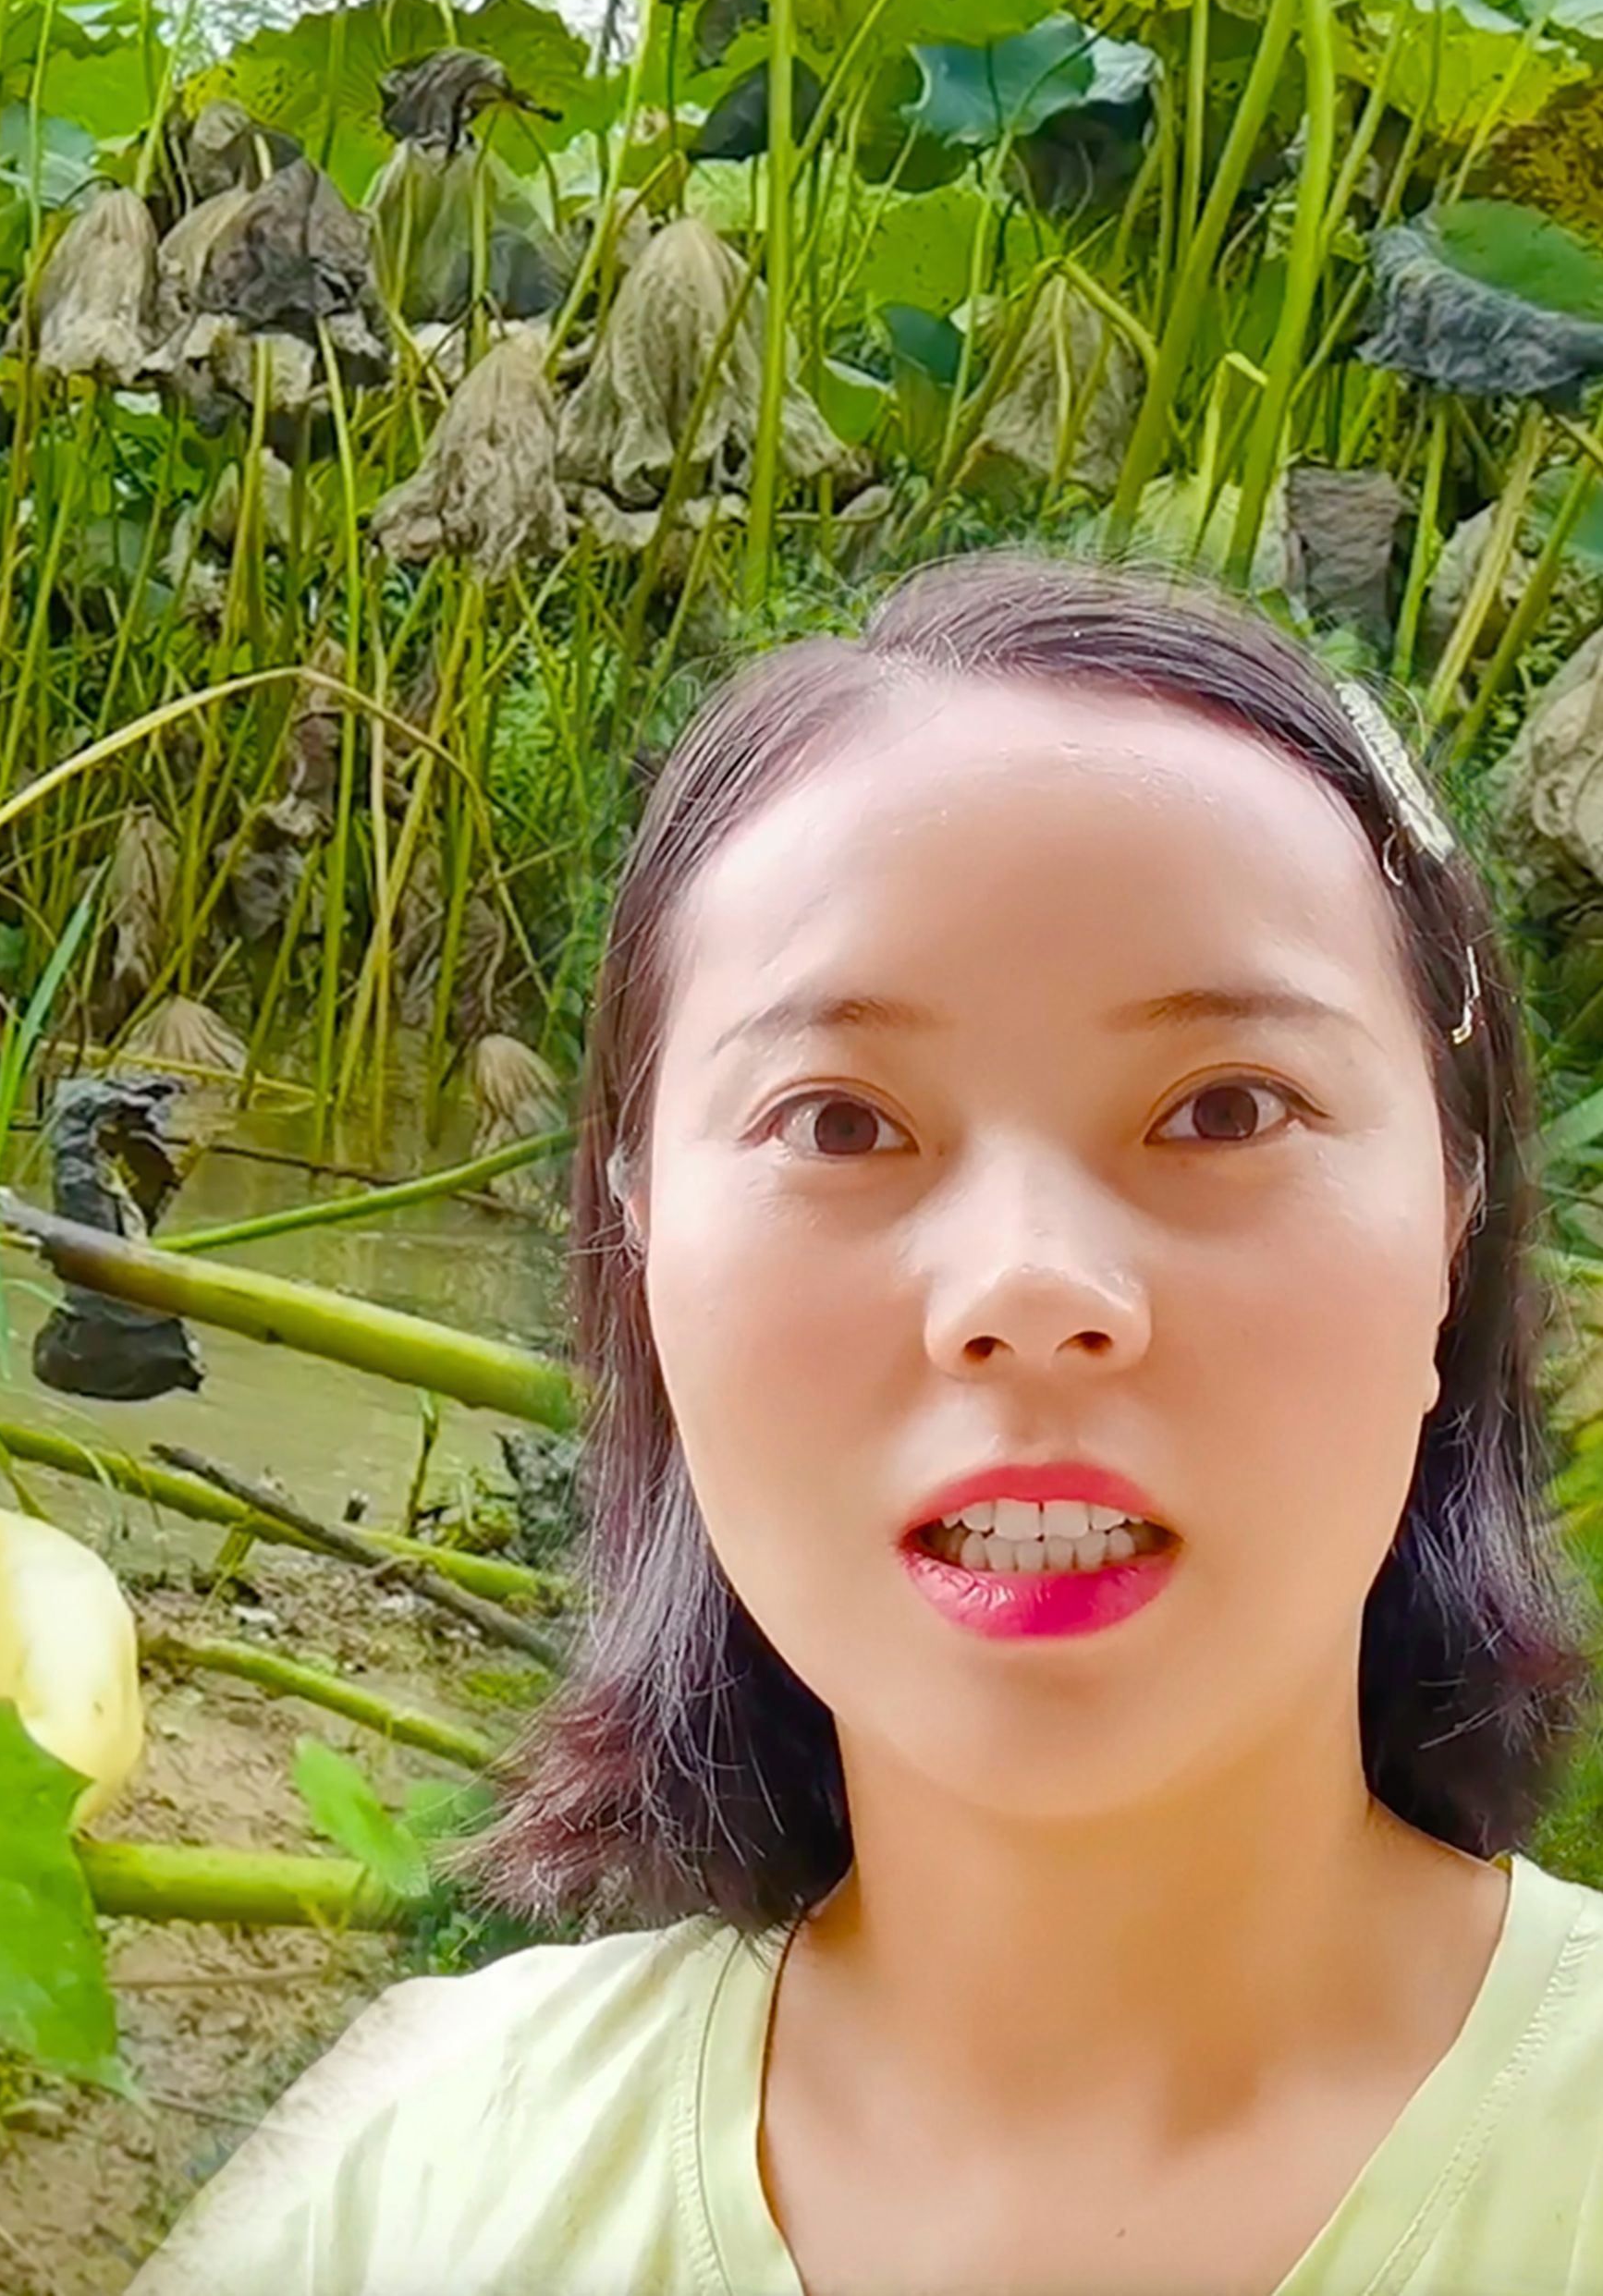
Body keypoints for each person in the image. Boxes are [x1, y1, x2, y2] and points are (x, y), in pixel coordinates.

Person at [133, 555, 1600, 2296]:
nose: (1034, 1283)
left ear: (1455, 1215)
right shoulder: (415, 2188)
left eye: (1223, 1108)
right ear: (642, 1238)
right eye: (839, 1122)